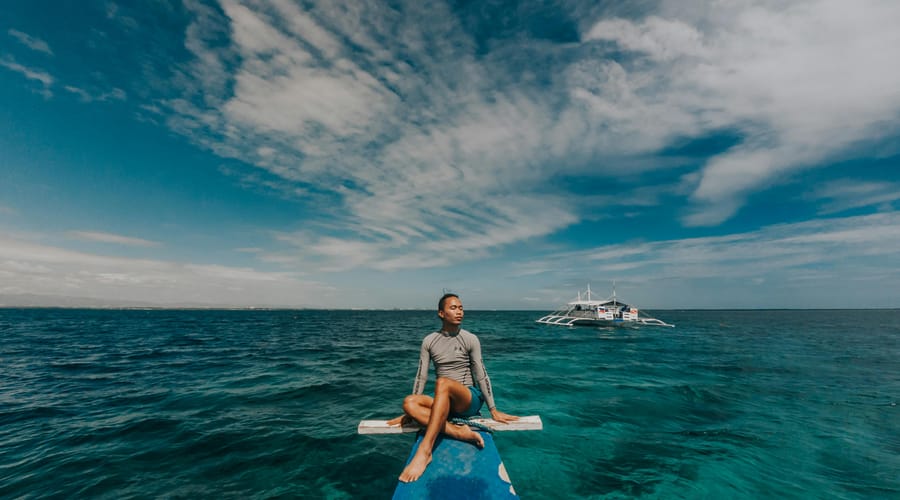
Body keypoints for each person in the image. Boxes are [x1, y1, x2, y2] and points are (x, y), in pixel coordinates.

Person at [387, 292, 518, 483]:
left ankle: (425, 451)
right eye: (454, 308)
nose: (459, 312)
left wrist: (493, 409)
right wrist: (410, 414)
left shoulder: (470, 339)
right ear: (441, 313)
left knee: (442, 382)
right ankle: (457, 431)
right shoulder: (429, 341)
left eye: (461, 308)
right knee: (409, 402)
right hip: (445, 400)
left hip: (469, 399)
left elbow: (481, 374)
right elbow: (421, 375)